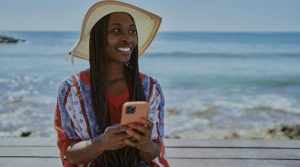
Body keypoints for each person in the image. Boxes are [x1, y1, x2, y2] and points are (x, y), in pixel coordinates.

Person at [54, 1, 169, 167]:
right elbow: (70, 154)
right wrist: (101, 143)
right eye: (116, 30)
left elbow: (153, 152)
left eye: (132, 31)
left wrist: (145, 144)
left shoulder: (150, 87)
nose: (128, 38)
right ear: (98, 37)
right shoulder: (71, 89)